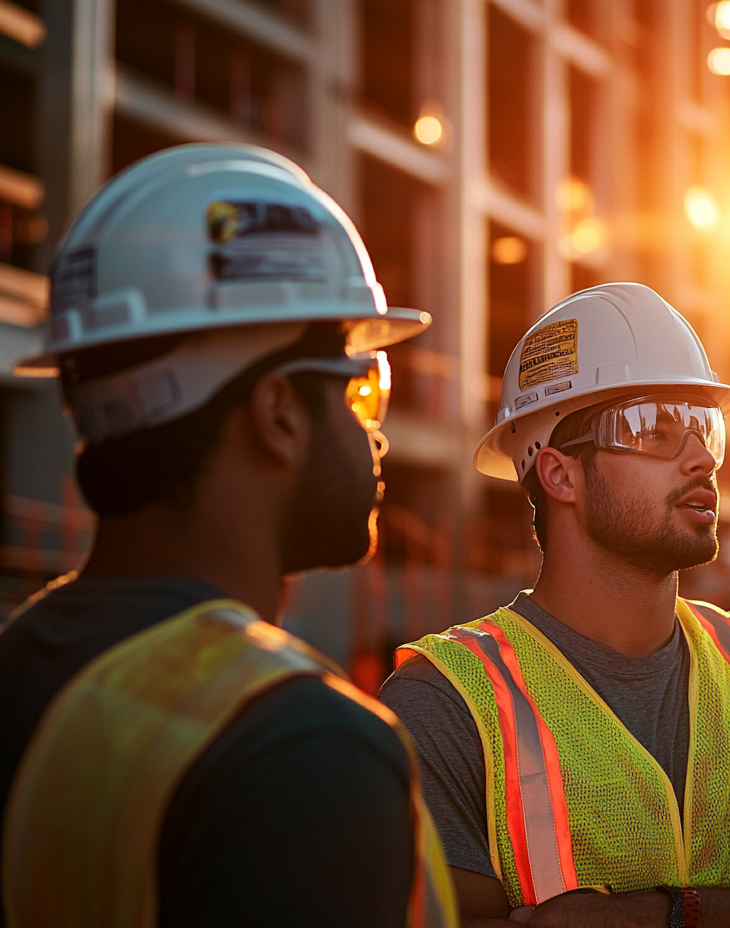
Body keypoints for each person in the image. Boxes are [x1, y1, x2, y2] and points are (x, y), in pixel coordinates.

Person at [0, 144, 457, 927]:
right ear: (277, 411)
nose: (374, 439)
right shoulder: (308, 753)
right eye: (361, 387)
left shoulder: (24, 658)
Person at [381, 282, 730, 928]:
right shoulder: (448, 704)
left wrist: (671, 916)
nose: (702, 459)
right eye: (654, 429)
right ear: (560, 474)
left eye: (705, 429)